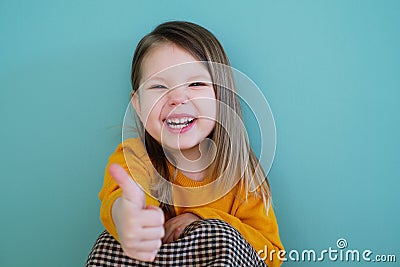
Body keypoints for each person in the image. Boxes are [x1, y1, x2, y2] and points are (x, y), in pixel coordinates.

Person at [86, 21, 283, 267]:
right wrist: (129, 217)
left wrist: (200, 220)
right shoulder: (136, 157)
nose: (177, 98)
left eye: (195, 84)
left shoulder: (242, 175)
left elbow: (272, 255)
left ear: (220, 96)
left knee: (222, 235)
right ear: (138, 105)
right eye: (159, 86)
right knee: (110, 243)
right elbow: (122, 195)